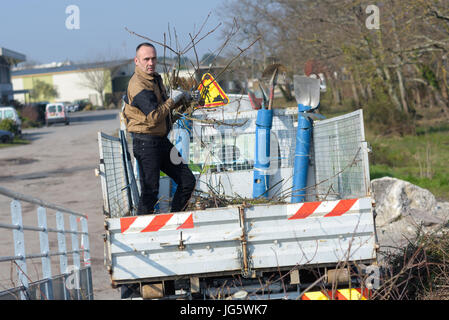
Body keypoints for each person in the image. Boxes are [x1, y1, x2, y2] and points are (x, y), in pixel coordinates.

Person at [123, 42, 196, 215]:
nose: (150, 63)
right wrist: (173, 100)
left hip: (160, 142)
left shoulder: (155, 79)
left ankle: (175, 221)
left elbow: (166, 114)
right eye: (146, 59)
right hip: (146, 144)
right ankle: (141, 234)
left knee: (187, 181)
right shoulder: (138, 85)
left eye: (153, 59)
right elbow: (155, 116)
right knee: (150, 192)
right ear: (136, 61)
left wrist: (187, 101)